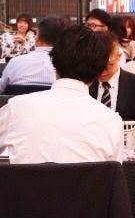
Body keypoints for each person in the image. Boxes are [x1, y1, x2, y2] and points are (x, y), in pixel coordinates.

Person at [0, 25, 124, 164]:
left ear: (54, 61)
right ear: (99, 70)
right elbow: (114, 173)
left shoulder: (16, 109)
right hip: (86, 179)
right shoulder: (112, 122)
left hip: (23, 179)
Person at [89, 31, 135, 132]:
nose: (102, 71)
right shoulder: (85, 84)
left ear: (119, 56)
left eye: (108, 65)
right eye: (96, 66)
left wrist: (114, 124)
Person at [0, 16, 63, 93]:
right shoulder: (66, 66)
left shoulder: (15, 62)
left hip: (19, 100)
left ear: (37, 38)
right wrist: (12, 43)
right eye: (20, 22)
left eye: (25, 23)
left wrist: (25, 43)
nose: (22, 25)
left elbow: (1, 88)